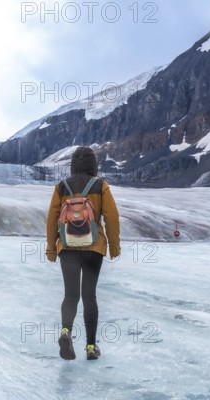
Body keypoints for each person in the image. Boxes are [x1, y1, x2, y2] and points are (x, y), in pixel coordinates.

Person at [46, 146, 121, 361]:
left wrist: (51, 248)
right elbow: (111, 217)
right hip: (93, 247)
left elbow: (52, 218)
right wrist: (114, 246)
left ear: (73, 165)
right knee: (89, 296)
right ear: (93, 164)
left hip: (67, 247)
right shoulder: (100, 185)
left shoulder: (61, 187)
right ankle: (90, 346)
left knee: (70, 295)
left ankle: (65, 332)